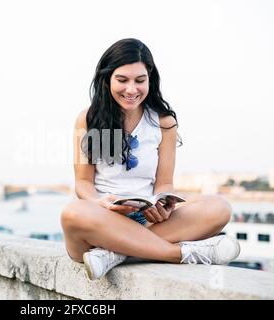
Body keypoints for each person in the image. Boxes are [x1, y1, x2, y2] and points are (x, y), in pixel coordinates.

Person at [60, 38, 240, 281]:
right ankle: (179, 253)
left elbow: (164, 183)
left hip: (148, 222)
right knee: (73, 212)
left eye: (140, 80)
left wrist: (164, 204)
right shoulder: (89, 119)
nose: (131, 90)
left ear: (150, 79)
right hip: (101, 221)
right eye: (122, 80)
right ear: (107, 79)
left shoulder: (164, 122)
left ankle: (115, 254)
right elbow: (83, 184)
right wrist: (100, 202)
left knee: (219, 208)